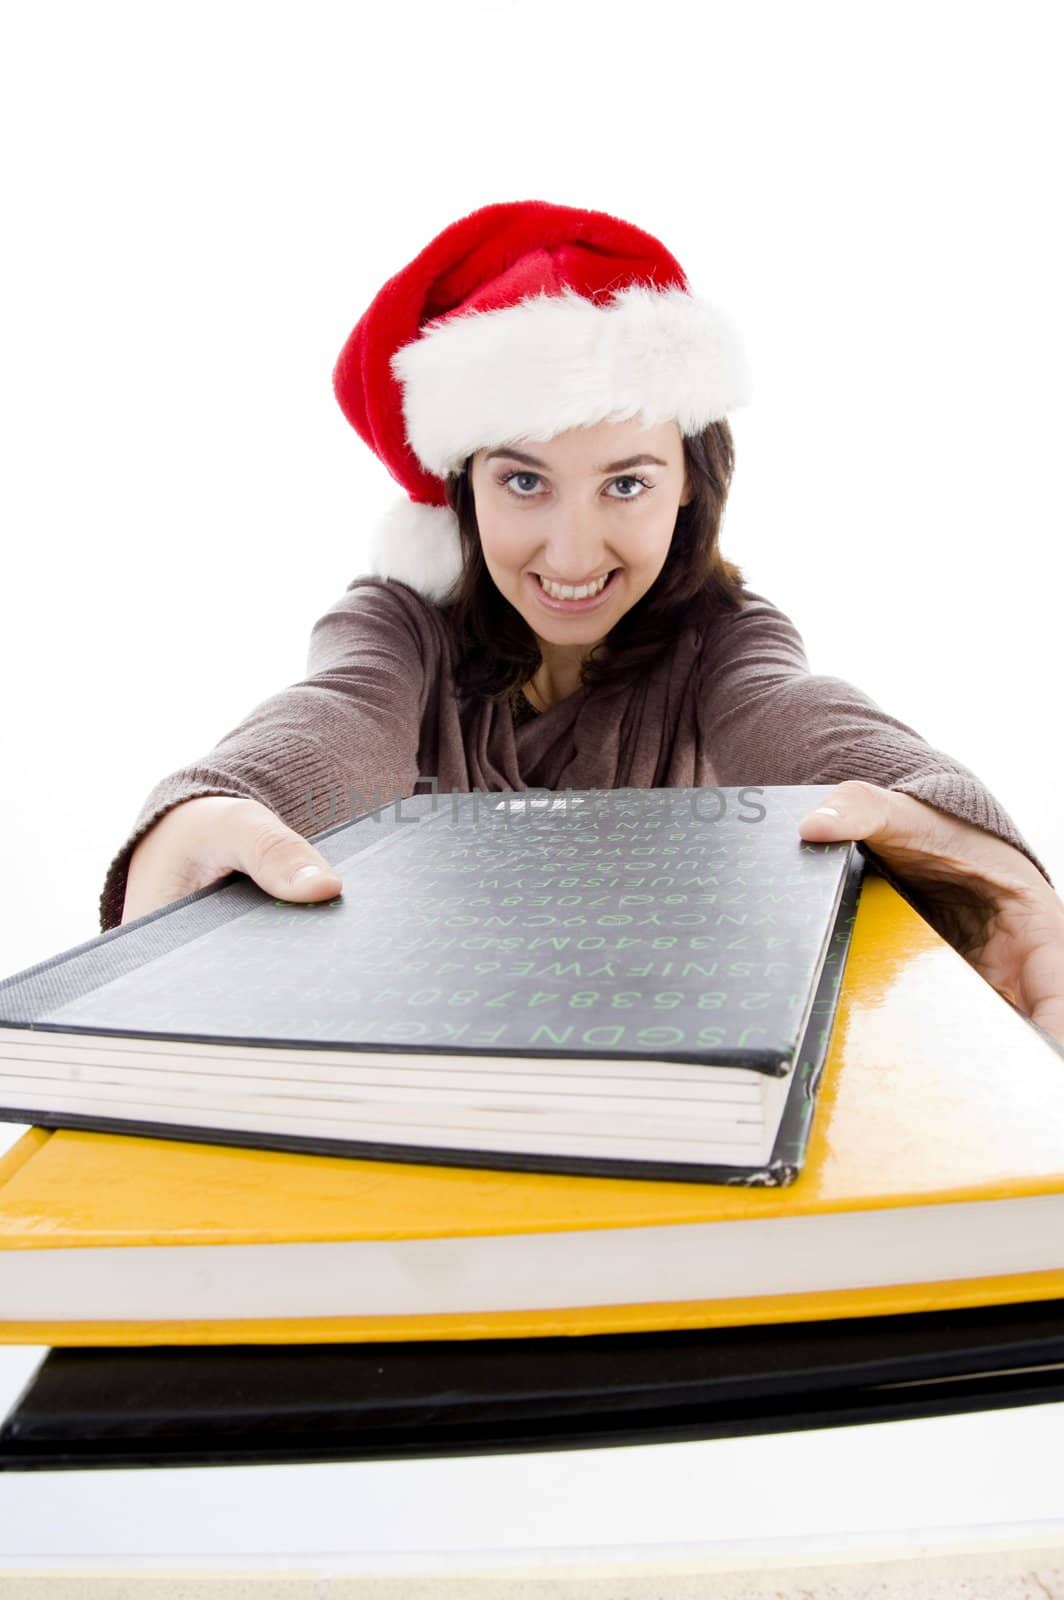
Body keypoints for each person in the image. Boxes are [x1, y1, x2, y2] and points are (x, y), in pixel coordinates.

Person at [102, 198, 1064, 1047]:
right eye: (524, 480)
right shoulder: (398, 623)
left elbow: (797, 715)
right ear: (464, 490)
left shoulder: (724, 638)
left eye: (626, 484)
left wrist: (963, 842)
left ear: (690, 484)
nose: (570, 555)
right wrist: (212, 810)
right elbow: (335, 715)